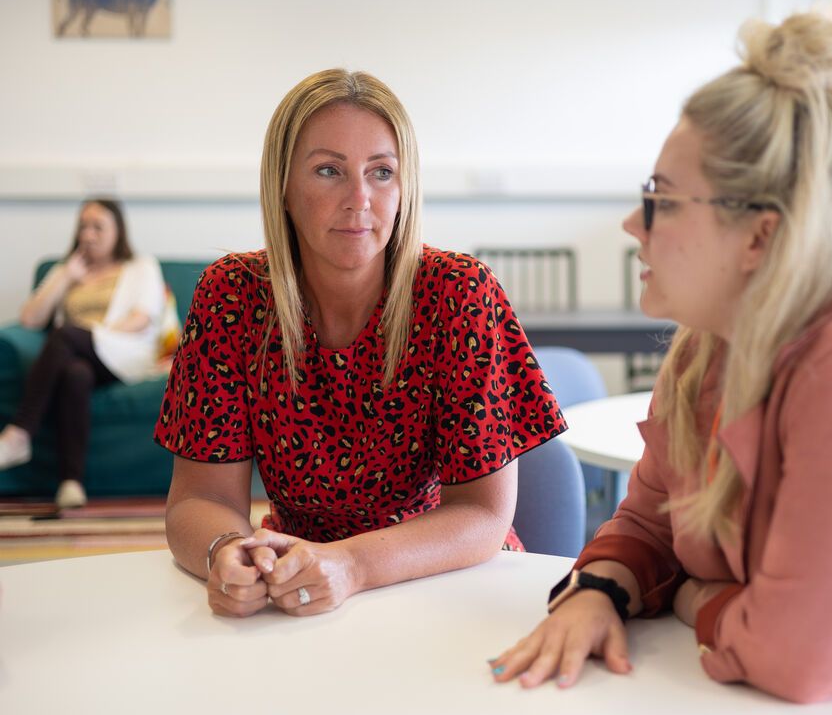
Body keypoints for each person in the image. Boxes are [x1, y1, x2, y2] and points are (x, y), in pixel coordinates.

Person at [490, 13, 832, 714]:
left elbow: (801, 660)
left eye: (660, 202)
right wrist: (601, 590)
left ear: (758, 236)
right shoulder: (711, 343)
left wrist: (697, 597)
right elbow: (646, 524)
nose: (633, 226)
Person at [155, 69, 565, 618]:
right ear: (283, 184)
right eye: (329, 171)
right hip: (297, 583)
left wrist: (350, 566)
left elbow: (483, 517)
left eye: (381, 173)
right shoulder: (232, 295)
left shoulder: (459, 293)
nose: (359, 199)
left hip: (442, 581)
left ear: (405, 187)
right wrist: (228, 552)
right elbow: (200, 500)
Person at [0, 198, 170, 508]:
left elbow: (141, 319)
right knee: (74, 374)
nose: (88, 234)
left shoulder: (140, 267)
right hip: (77, 355)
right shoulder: (68, 270)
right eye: (83, 227)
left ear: (118, 231)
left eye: (98, 227)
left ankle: (19, 433)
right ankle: (70, 484)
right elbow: (30, 319)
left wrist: (95, 335)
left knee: (67, 334)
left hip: (125, 352)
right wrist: (65, 276)